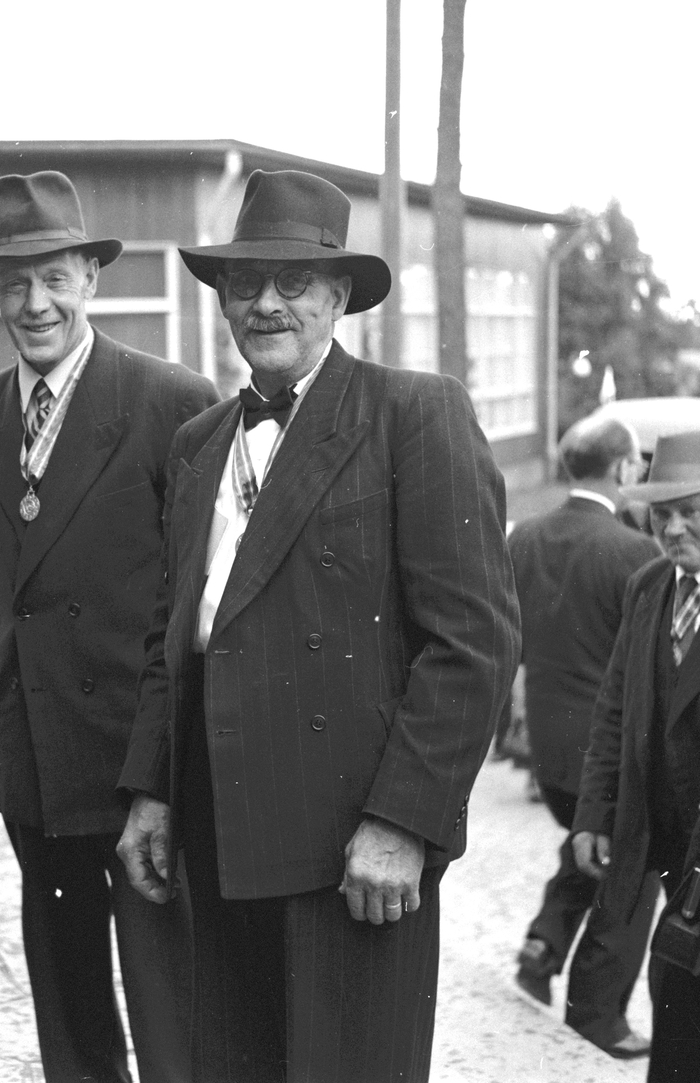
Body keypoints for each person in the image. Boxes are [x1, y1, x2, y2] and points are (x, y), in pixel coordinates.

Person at [116, 169, 520, 1082]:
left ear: (339, 297)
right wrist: (151, 791)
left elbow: (475, 643)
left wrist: (403, 822)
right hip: (216, 830)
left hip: (350, 848)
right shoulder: (198, 444)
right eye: (244, 283)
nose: (266, 304)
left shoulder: (413, 413)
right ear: (223, 298)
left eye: (294, 282)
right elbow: (172, 637)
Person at [0, 170, 218, 1083]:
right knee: (67, 995)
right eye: (14, 284)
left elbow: (192, 602)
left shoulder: (171, 400)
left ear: (91, 280)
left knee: (169, 992)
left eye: (55, 279)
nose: (36, 304)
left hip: (138, 760)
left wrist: (167, 769)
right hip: (36, 751)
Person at [510, 415, 659, 1057]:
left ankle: (543, 945)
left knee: (589, 847)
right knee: (631, 873)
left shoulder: (526, 536)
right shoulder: (636, 552)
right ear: (624, 468)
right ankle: (598, 1014)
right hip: (608, 751)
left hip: (546, 745)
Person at [574, 429, 700, 1080]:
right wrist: (595, 815)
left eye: (690, 511)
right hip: (665, 841)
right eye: (661, 515)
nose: (673, 529)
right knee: (674, 986)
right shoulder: (649, 585)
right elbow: (615, 709)